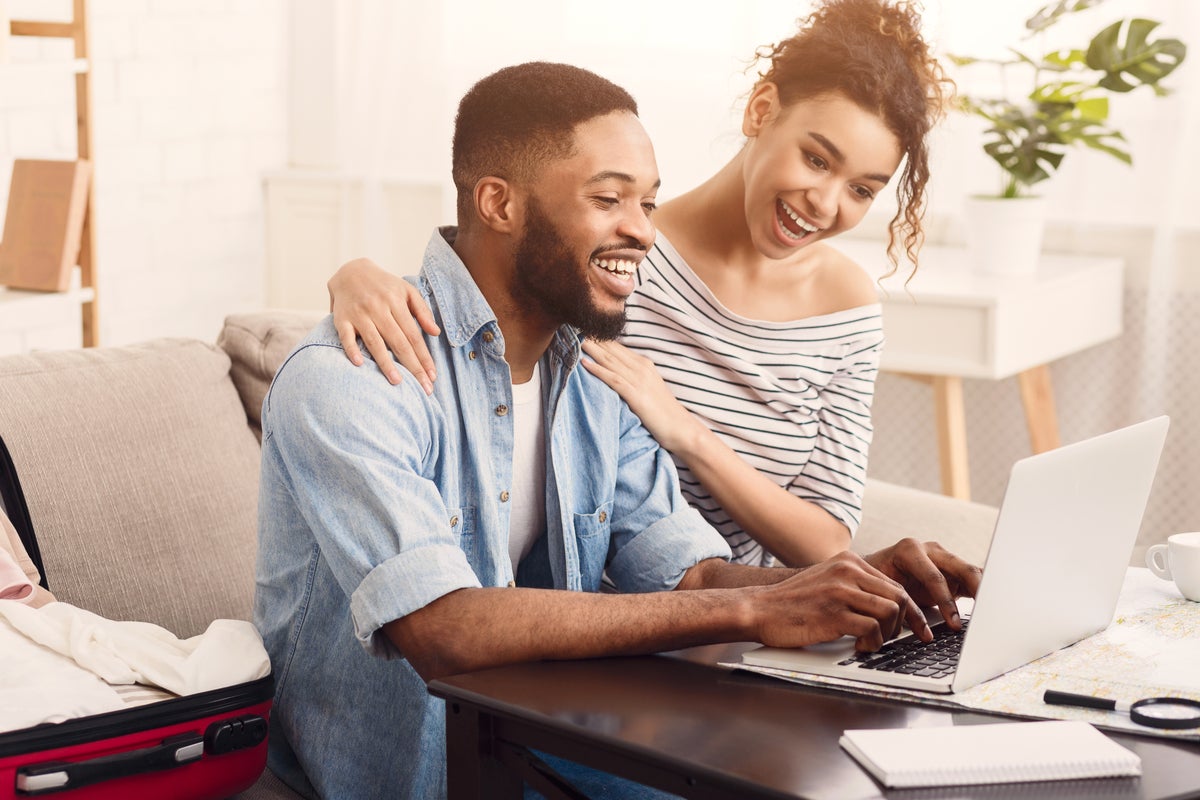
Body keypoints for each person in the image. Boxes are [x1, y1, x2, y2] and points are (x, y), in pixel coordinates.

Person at [255, 61, 978, 800]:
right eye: (609, 200)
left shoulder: (598, 377)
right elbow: (443, 631)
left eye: (648, 203)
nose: (641, 231)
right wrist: (758, 607)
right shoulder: (352, 379)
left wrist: (850, 585)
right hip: (411, 778)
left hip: (547, 746)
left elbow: (686, 569)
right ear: (499, 203)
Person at [325, 0, 952, 569]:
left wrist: (685, 432)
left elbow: (827, 542)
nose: (825, 202)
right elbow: (491, 289)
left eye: (862, 190)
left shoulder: (848, 311)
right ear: (762, 111)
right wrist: (353, 274)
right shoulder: (616, 257)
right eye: (816, 159)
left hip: (761, 611)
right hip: (628, 607)